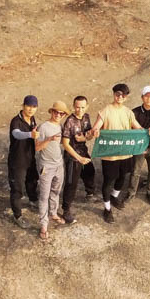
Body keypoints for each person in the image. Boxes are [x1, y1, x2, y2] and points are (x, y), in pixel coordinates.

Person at [91, 82, 142, 223]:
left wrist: (145, 132)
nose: (120, 96)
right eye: (117, 94)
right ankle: (107, 209)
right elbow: (96, 127)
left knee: (122, 177)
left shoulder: (128, 112)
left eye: (123, 94)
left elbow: (137, 127)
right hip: (110, 154)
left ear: (126, 97)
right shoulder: (105, 111)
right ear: (113, 94)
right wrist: (95, 131)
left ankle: (114, 196)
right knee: (109, 181)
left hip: (125, 153)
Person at [34, 101, 69, 240]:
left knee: (56, 191)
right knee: (44, 196)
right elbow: (37, 148)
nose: (58, 115)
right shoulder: (43, 127)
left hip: (59, 165)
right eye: (56, 112)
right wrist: (49, 139)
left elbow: (62, 143)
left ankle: (53, 213)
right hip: (46, 167)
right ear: (51, 112)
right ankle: (43, 225)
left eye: (61, 113)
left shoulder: (61, 126)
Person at [126, 85, 150, 205]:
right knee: (135, 171)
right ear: (142, 97)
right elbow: (131, 130)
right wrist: (143, 136)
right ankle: (131, 193)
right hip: (140, 147)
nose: (148, 99)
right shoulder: (135, 112)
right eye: (146, 96)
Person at [59, 95, 96, 223]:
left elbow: (88, 136)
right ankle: (66, 209)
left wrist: (87, 137)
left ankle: (89, 193)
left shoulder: (86, 117)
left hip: (83, 151)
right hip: (72, 156)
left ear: (87, 107)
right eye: (77, 107)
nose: (79, 110)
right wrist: (79, 158)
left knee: (90, 171)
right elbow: (65, 143)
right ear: (73, 106)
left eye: (82, 107)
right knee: (71, 183)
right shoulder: (69, 121)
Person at [8, 95, 39, 226]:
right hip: (17, 162)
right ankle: (17, 216)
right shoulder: (16, 121)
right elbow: (16, 133)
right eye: (28, 106)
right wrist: (29, 135)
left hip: (30, 159)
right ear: (23, 106)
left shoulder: (32, 120)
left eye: (34, 107)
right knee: (17, 188)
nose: (31, 109)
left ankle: (33, 200)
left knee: (32, 181)